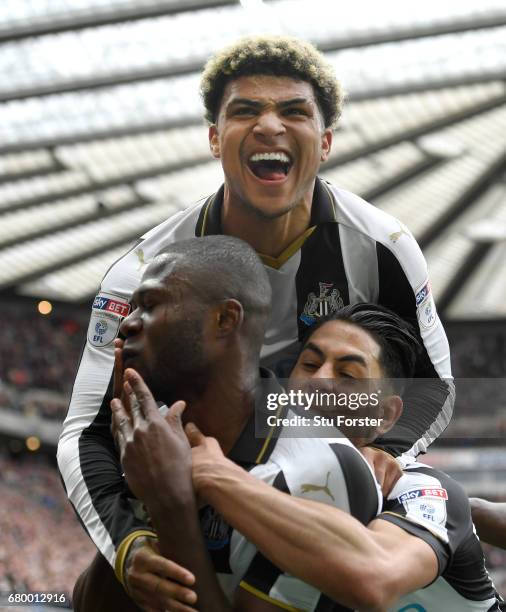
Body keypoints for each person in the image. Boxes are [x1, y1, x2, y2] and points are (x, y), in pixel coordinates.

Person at [58, 33, 453, 608]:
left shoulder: (382, 248)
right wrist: (128, 542)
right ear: (215, 138)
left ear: (327, 140)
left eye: (293, 110)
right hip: (187, 484)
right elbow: (85, 431)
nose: (270, 126)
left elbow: (431, 387)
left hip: (315, 495)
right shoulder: (143, 274)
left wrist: (382, 448)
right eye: (246, 110)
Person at [74, 235, 383, 611]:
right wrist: (138, 506)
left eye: (150, 305)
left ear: (224, 319)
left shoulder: (320, 469)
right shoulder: (159, 441)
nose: (128, 325)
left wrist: (168, 504)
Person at [158, 304, 503, 611]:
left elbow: (376, 578)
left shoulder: (418, 489)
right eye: (309, 363)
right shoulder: (267, 482)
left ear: (385, 416)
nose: (320, 380)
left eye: (348, 375)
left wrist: (214, 477)